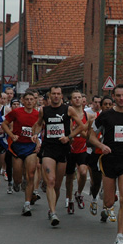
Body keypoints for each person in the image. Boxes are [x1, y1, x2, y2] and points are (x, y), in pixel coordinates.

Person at [89, 85, 123, 244]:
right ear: (114, 97)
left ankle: (120, 237)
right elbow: (91, 135)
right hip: (109, 160)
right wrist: (100, 146)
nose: (122, 98)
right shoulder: (105, 116)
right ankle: (106, 194)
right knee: (109, 202)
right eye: (118, 96)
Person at [31, 86, 84, 226]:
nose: (56, 96)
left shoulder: (68, 110)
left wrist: (69, 137)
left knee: (57, 185)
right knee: (51, 181)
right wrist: (35, 134)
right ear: (50, 96)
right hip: (48, 148)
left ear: (61, 96)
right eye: (53, 94)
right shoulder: (44, 110)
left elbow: (81, 126)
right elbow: (38, 124)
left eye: (58, 94)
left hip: (63, 149)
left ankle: (52, 206)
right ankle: (53, 212)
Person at [2, 92, 40, 216]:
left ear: (35, 101)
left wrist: (38, 140)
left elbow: (41, 129)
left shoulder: (38, 114)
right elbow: (4, 124)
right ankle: (17, 182)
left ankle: (27, 204)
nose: (29, 101)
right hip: (18, 147)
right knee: (17, 177)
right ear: (23, 101)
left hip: (31, 147)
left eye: (31, 99)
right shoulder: (17, 112)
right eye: (27, 99)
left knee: (30, 175)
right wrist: (11, 135)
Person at [65, 90, 91, 214]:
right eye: (74, 97)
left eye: (79, 97)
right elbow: (67, 135)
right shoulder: (68, 116)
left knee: (83, 172)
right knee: (69, 177)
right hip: (70, 150)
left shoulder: (88, 116)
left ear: (82, 100)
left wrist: (80, 131)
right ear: (71, 100)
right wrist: (72, 133)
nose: (77, 99)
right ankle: (69, 200)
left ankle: (79, 193)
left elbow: (88, 136)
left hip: (82, 149)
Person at [87, 95, 113, 218]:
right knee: (96, 182)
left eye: (109, 104)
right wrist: (99, 142)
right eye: (105, 104)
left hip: (111, 155)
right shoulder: (94, 119)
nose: (107, 106)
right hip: (97, 153)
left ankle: (106, 208)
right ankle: (94, 199)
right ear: (101, 106)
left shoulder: (115, 119)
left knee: (109, 182)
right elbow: (89, 138)